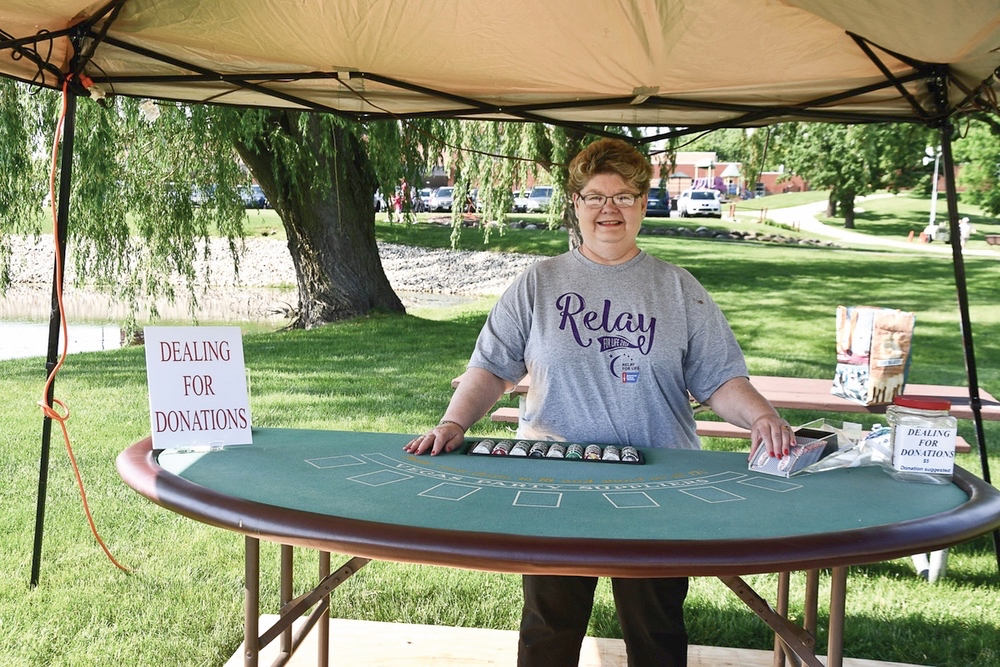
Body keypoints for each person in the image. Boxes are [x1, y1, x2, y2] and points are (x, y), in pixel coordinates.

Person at [405, 137, 793, 667]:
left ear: (642, 205)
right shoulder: (538, 283)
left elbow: (719, 379)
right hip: (554, 477)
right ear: (576, 205)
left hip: (658, 480)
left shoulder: (678, 288)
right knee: (549, 629)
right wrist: (453, 421)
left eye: (624, 196)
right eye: (594, 196)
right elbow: (493, 367)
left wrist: (762, 416)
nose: (609, 209)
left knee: (655, 629)